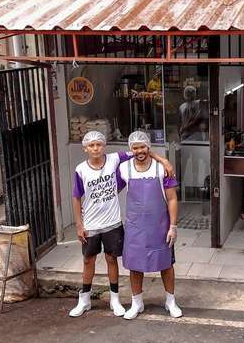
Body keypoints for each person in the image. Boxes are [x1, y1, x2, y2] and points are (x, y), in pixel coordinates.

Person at [68, 131, 174, 318]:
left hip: (139, 224)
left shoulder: (155, 167)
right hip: (116, 225)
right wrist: (79, 223)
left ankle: (165, 302)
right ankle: (95, 301)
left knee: (161, 263)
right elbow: (88, 194)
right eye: (91, 145)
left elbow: (172, 197)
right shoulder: (117, 169)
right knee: (117, 263)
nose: (95, 148)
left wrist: (163, 160)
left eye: (98, 144)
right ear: (85, 148)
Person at [118, 130, 183, 319]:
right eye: (135, 147)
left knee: (166, 264)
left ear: (149, 147)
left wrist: (173, 226)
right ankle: (136, 303)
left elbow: (172, 199)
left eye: (143, 147)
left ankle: (170, 301)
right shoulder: (123, 169)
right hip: (135, 228)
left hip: (160, 226)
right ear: (130, 149)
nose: (140, 150)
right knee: (134, 266)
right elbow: (111, 191)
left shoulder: (163, 169)